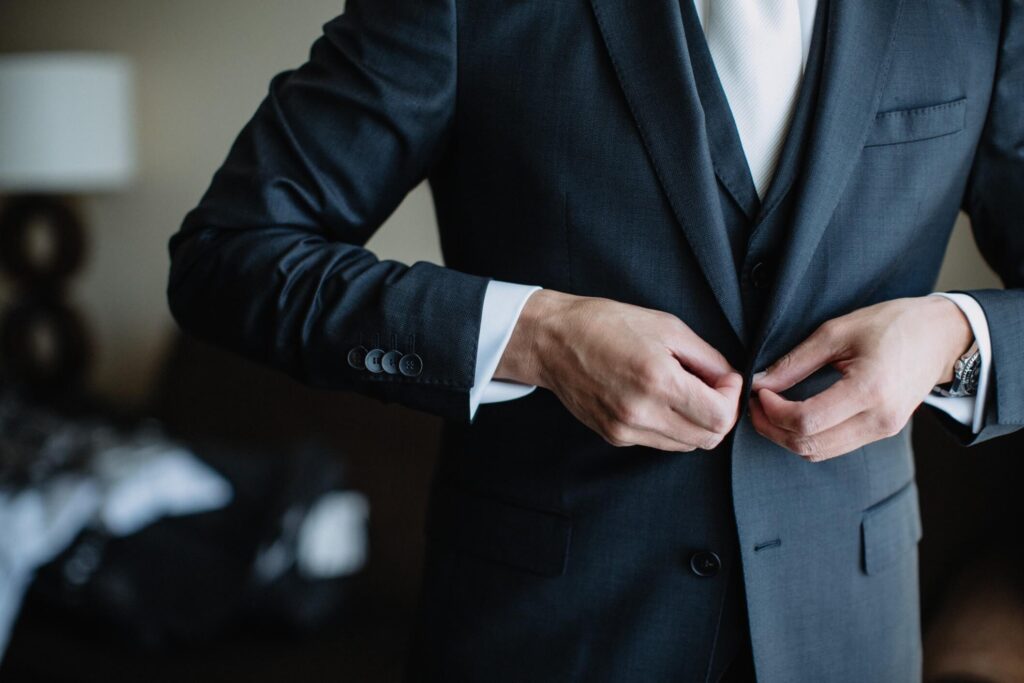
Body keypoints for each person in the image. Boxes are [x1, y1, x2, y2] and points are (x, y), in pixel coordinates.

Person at [166, 0, 1024, 680]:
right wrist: (532, 334)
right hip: (546, 633)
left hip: (849, 636)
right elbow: (228, 255)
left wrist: (954, 336)